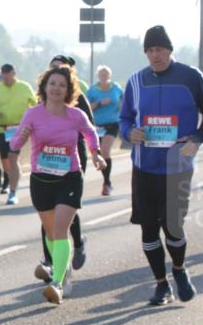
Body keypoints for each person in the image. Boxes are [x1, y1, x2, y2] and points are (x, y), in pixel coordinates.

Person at [120, 26, 203, 305]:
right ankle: (161, 285)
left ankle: (178, 269)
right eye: (150, 50)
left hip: (178, 167)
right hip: (144, 167)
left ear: (169, 50)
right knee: (149, 229)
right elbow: (125, 118)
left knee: (174, 227)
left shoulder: (190, 77)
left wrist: (198, 138)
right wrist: (130, 133)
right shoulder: (136, 81)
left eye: (160, 49)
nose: (155, 55)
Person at [8, 67, 104, 304]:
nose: (56, 89)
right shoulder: (32, 114)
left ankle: (57, 284)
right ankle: (64, 271)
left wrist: (96, 154)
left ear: (69, 90)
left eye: (62, 85)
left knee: (61, 231)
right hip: (41, 179)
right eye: (52, 84)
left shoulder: (76, 115)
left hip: (69, 177)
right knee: (52, 234)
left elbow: (91, 135)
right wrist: (23, 135)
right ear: (44, 87)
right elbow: (15, 143)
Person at [34, 55, 95, 282]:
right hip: (46, 162)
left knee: (66, 208)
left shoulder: (78, 99)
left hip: (73, 158)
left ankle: (77, 243)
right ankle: (50, 261)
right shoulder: (42, 99)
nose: (57, 75)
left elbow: (90, 128)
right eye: (53, 69)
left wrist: (96, 154)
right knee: (49, 213)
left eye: (62, 70)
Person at [0, 63, 38, 205]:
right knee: (6, 160)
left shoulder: (24, 87)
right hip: (2, 129)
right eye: (3, 77)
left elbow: (35, 104)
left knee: (12, 157)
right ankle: (13, 177)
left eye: (8, 76)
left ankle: (12, 192)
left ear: (14, 73)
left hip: (19, 129)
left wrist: (32, 117)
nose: (6, 80)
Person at [87, 65, 124, 195]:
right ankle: (106, 181)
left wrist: (124, 114)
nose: (104, 77)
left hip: (113, 124)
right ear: (98, 76)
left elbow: (124, 102)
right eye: (101, 75)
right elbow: (87, 108)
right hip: (97, 126)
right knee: (102, 154)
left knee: (105, 150)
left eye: (106, 74)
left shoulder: (116, 88)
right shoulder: (92, 90)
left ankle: (107, 183)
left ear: (110, 75)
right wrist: (99, 103)